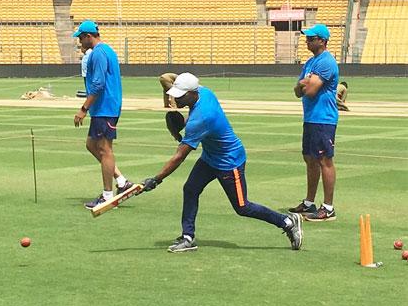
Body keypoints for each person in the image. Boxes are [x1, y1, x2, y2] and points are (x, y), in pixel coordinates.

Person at [140, 72, 303, 253]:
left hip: (229, 162)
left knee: (242, 207)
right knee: (191, 189)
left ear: (192, 94)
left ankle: (287, 222)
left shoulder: (201, 118)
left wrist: (157, 179)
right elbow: (167, 79)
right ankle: (188, 237)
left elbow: (179, 156)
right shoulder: (203, 92)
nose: (176, 99)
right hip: (210, 157)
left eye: (181, 96)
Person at [72, 20, 133, 209]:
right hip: (105, 107)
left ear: (88, 36)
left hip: (105, 107)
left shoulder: (98, 53)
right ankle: (122, 181)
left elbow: (98, 84)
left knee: (105, 150)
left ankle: (107, 195)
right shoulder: (107, 50)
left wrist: (83, 109)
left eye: (81, 38)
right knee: (91, 145)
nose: (79, 42)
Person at [289, 24, 339, 222]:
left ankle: (327, 207)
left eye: (312, 38)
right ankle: (309, 203)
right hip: (310, 118)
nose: (307, 41)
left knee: (324, 160)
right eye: (307, 38)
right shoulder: (310, 62)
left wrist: (304, 85)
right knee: (310, 159)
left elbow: (309, 91)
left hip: (323, 119)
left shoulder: (326, 62)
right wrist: (302, 83)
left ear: (323, 40)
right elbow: (297, 90)